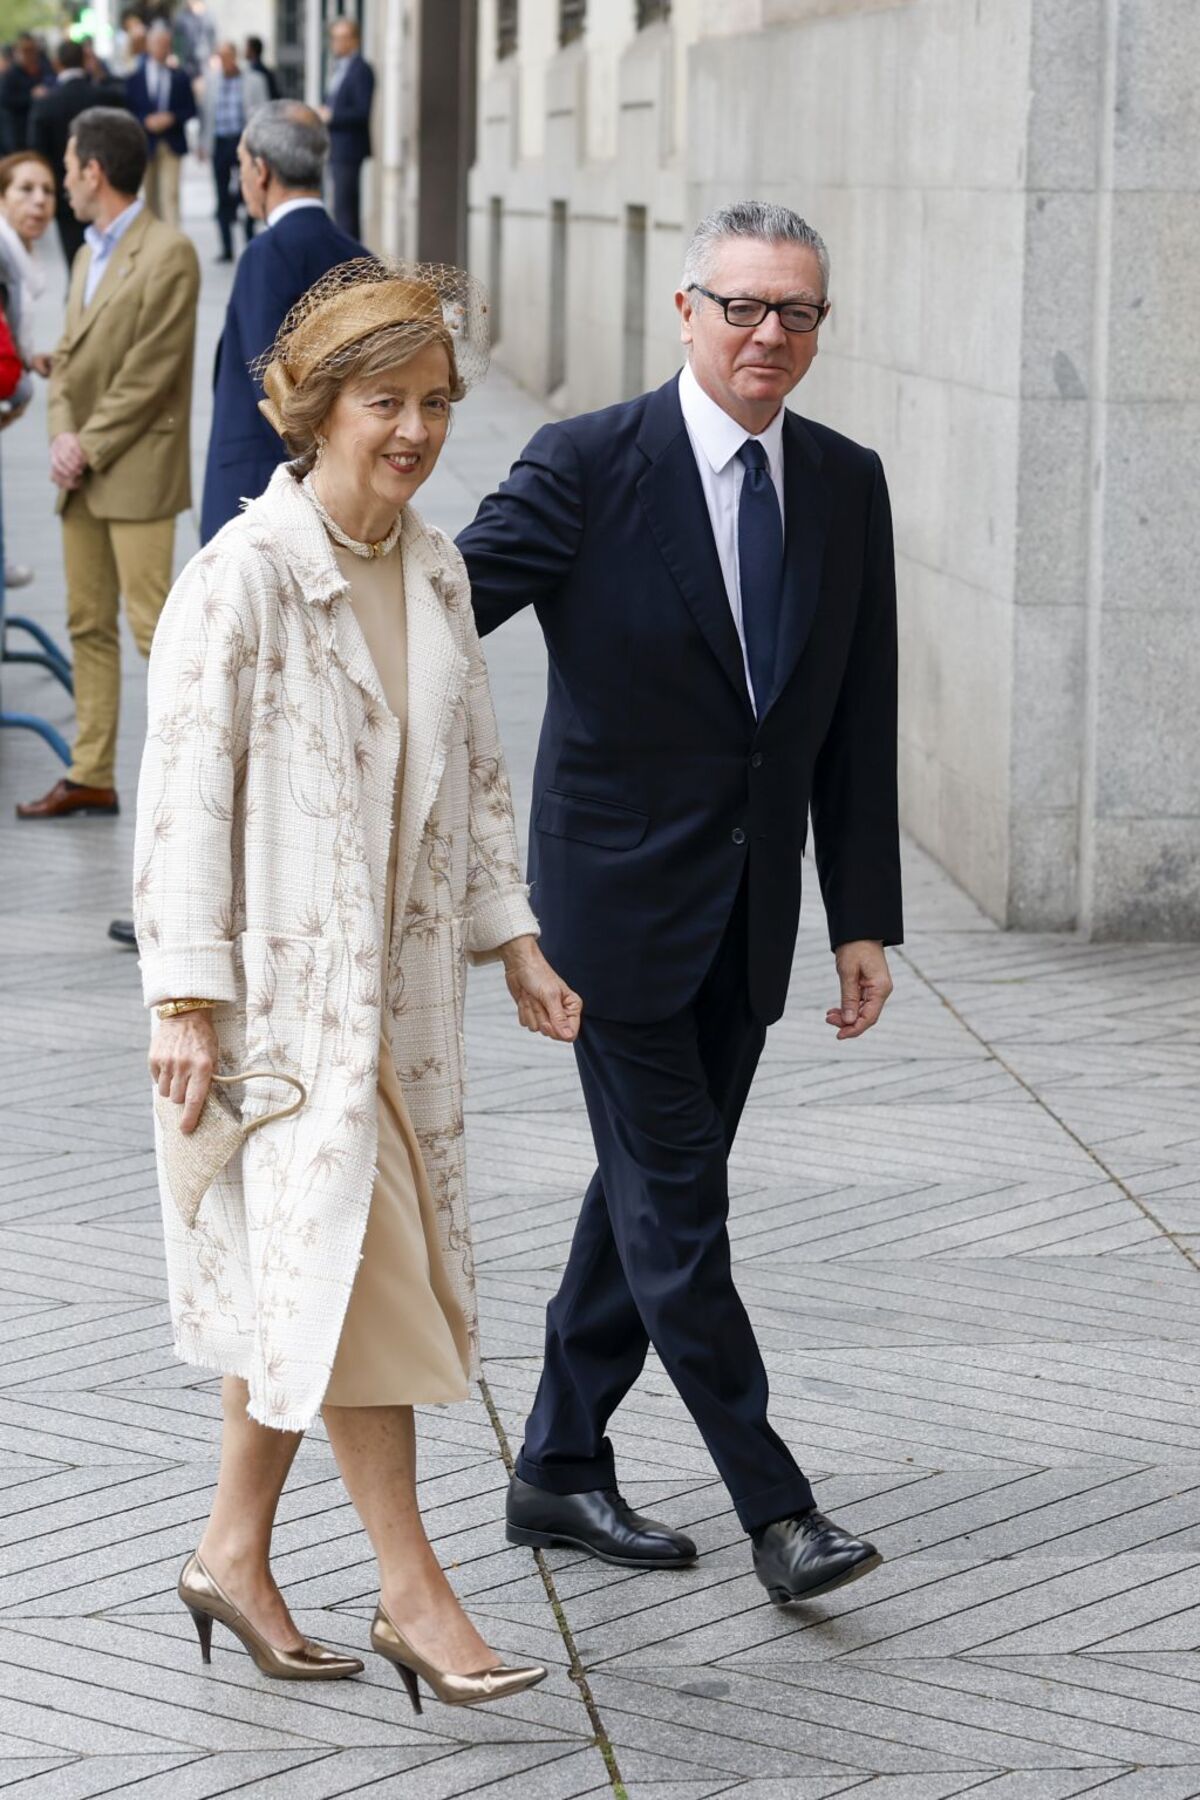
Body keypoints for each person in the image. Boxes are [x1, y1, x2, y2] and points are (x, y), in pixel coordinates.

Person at [133, 257, 581, 1705]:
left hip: (401, 1016)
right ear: (315, 410)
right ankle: (414, 1591)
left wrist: (512, 934)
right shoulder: (242, 582)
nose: (416, 430)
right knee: (354, 1276)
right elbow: (183, 801)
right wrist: (186, 1000)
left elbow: (478, 782)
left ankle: (230, 1555)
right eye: (385, 401)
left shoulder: (439, 569)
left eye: (437, 402)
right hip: (279, 1020)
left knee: (304, 1285)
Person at [458, 200, 903, 1607]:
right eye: (745, 308)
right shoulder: (588, 465)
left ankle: (558, 1461)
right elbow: (437, 607)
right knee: (678, 1214)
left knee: (653, 1198)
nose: (770, 336)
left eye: (798, 314)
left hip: (750, 915)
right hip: (612, 911)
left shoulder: (845, 483)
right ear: (686, 308)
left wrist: (861, 915)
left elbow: (851, 722)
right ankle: (780, 1511)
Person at [17, 108, 198, 830]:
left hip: (135, 468)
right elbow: (66, 360)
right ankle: (91, 774)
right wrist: (63, 437)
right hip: (83, 469)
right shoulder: (88, 252)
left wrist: (84, 444)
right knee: (86, 624)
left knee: (156, 632)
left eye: (66, 170)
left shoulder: (170, 252)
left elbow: (151, 372)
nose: (61, 184)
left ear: (95, 171)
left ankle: (187, 785)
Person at [200, 101, 363, 543]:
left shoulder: (265, 254)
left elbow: (270, 387)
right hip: (348, 488)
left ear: (262, 170)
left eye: (241, 163)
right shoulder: (361, 259)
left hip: (261, 493)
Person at [0, 150, 55, 587]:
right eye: (25, 190)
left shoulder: (17, 259)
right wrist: (19, 391)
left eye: (48, 191)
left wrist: (28, 356)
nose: (39, 201)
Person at [28, 38, 127, 270]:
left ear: (56, 63)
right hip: (106, 189)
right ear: (86, 61)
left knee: (75, 262)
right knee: (106, 262)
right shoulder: (104, 96)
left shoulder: (46, 103)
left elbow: (37, 154)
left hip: (65, 194)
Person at [197, 42, 269, 262]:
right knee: (221, 196)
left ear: (235, 56)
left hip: (244, 143)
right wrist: (202, 144)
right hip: (220, 143)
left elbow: (263, 112)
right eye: (221, 57)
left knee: (247, 190)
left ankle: (250, 242)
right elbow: (205, 115)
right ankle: (226, 247)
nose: (225, 61)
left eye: (228, 56)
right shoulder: (211, 81)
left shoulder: (254, 81)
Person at [126, 23, 195, 228]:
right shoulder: (134, 78)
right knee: (148, 197)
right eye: (158, 44)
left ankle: (172, 242)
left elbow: (191, 109)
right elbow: (128, 110)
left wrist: (172, 117)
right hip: (145, 144)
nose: (162, 49)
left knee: (170, 196)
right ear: (148, 45)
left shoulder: (180, 76)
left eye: (166, 45)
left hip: (171, 144)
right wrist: (144, 120)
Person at [319, 16, 372, 240]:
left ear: (355, 40)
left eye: (342, 38)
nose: (337, 43)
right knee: (339, 208)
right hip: (335, 147)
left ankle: (352, 269)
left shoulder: (361, 70)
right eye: (334, 38)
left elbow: (362, 112)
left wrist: (331, 115)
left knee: (346, 211)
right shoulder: (338, 69)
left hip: (349, 149)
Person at [0, 34, 52, 157]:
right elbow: (5, 100)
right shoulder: (11, 75)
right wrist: (31, 96)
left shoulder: (44, 68)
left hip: (43, 129)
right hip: (20, 131)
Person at [245, 36, 280, 101]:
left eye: (246, 47)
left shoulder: (256, 72)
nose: (244, 50)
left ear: (252, 50)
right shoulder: (266, 72)